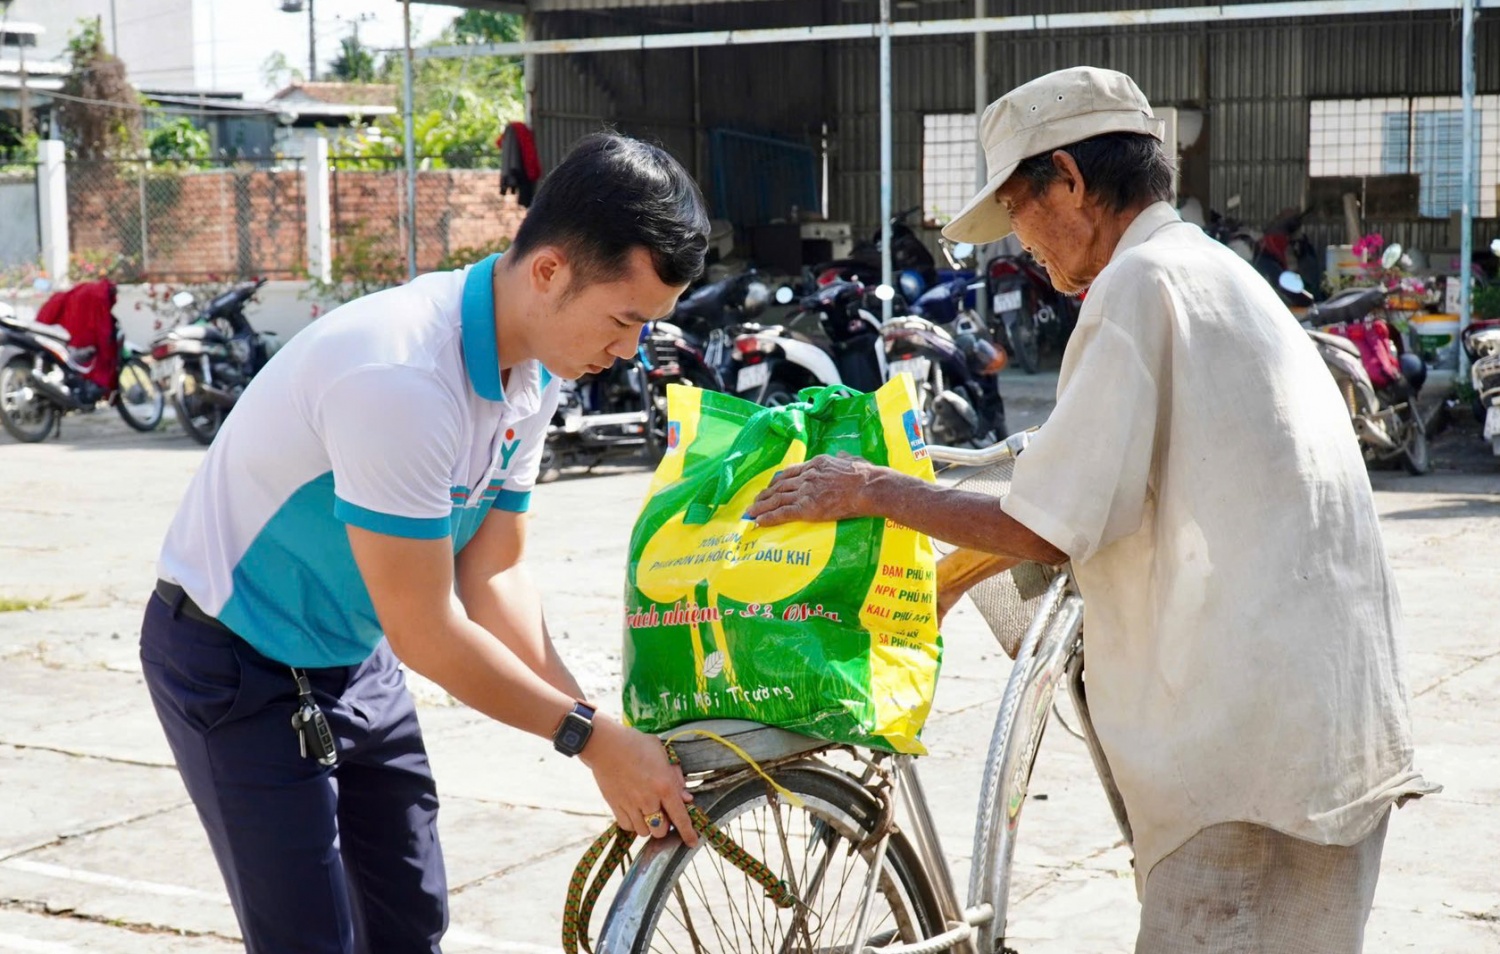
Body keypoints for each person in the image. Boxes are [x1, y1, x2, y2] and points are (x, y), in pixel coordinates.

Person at [748, 67, 1437, 954]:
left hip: (1252, 767)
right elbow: (1113, 481)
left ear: (1069, 180)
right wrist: (958, 573)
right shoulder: (1210, 272)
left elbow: (1048, 521)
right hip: (1320, 734)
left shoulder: (1137, 286)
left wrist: (872, 489)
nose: (1020, 246)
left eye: (1018, 211)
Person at [141, 132, 707, 954]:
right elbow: (429, 630)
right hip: (236, 663)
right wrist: (588, 739)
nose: (630, 351)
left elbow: (496, 573)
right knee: (312, 939)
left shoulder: (540, 368)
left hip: (354, 648)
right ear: (549, 270)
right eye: (624, 320)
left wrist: (594, 725)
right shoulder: (402, 376)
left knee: (410, 916)